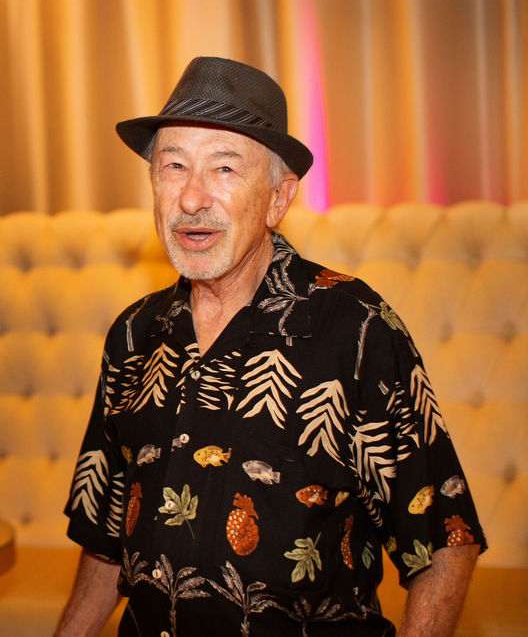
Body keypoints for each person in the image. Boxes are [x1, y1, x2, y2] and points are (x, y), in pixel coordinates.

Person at [56, 56, 484, 636]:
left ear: (279, 198)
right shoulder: (132, 336)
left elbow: (443, 537)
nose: (191, 198)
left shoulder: (354, 328)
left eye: (225, 169)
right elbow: (108, 542)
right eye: (173, 166)